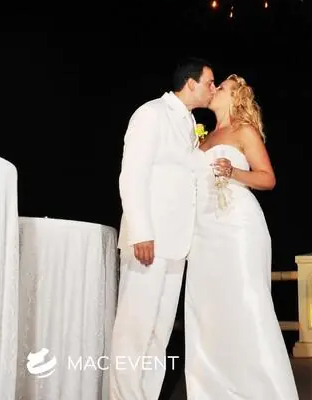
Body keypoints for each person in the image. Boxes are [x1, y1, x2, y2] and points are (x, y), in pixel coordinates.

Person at [185, 74, 299, 399]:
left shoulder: (243, 130)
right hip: (203, 232)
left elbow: (268, 178)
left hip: (237, 228)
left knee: (245, 303)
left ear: (235, 97)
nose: (214, 88)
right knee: (207, 310)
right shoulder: (201, 137)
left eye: (221, 87)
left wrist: (233, 172)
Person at [109, 57, 216, 400]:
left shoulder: (189, 122)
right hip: (150, 241)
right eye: (209, 82)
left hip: (176, 243)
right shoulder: (151, 114)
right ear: (191, 83)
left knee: (159, 332)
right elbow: (132, 174)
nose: (213, 89)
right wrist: (141, 232)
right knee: (134, 328)